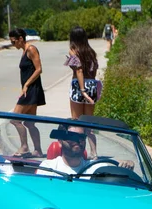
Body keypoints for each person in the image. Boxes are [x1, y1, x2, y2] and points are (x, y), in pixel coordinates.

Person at [64, 26, 101, 159]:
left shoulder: (74, 51)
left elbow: (78, 70)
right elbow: (94, 69)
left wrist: (82, 90)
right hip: (91, 85)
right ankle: (94, 152)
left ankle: (76, 151)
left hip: (79, 88)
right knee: (88, 123)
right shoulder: (91, 52)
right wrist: (89, 87)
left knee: (76, 122)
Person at [9, 28, 46, 158]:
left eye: (14, 42)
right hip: (29, 90)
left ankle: (24, 147)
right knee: (29, 123)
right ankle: (38, 150)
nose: (13, 45)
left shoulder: (31, 49)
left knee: (14, 119)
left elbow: (39, 69)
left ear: (20, 39)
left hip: (31, 90)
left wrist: (26, 84)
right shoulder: (25, 50)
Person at [40, 127, 134, 175]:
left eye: (81, 137)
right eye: (71, 137)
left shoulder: (95, 168)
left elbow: (111, 168)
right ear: (60, 141)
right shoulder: (48, 167)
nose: (77, 141)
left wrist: (127, 164)